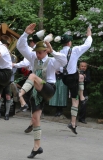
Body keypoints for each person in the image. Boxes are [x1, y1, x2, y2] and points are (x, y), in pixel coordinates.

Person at [16, 23, 67, 158]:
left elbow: (64, 61)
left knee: (32, 76)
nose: (38, 55)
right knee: (35, 118)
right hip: (37, 91)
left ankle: (20, 95)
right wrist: (25, 33)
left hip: (49, 88)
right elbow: (21, 47)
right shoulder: (33, 57)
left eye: (40, 52)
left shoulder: (51, 61)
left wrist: (53, 51)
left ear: (46, 51)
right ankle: (36, 147)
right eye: (37, 52)